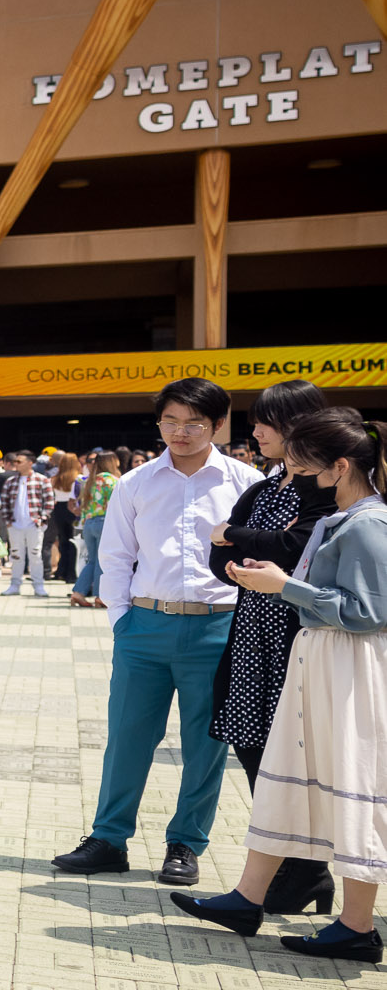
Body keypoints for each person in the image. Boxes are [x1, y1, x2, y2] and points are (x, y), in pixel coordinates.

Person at [172, 409, 387, 964]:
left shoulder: (366, 524)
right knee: (286, 777)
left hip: (348, 665)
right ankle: (249, 897)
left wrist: (285, 585)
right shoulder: (337, 519)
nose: (298, 472)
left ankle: (355, 925)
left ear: (339, 466)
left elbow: (367, 613)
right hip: (318, 659)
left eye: (307, 462)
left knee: (349, 787)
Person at [54, 378, 264, 887]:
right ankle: (108, 838)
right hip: (144, 627)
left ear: (217, 425)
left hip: (219, 626)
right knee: (127, 736)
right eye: (170, 421)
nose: (180, 432)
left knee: (205, 744)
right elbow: (116, 557)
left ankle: (186, 845)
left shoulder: (246, 482)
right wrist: (122, 622)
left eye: (193, 422)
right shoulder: (136, 482)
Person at [208, 379, 332, 917]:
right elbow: (220, 554)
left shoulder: (325, 486)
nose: (254, 431)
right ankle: (296, 868)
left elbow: (297, 545)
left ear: (299, 425)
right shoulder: (265, 486)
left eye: (265, 422)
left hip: (297, 638)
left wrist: (237, 541)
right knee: (254, 747)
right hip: (253, 634)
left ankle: (305, 869)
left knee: (295, 758)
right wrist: (236, 555)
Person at [72, 451, 121, 608]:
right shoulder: (112, 480)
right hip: (104, 522)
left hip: (89, 523)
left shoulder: (90, 480)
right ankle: (100, 596)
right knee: (103, 562)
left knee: (92, 560)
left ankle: (78, 592)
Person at [0, 451, 51, 599]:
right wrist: (8, 521)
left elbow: (49, 501)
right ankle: (15, 585)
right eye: (15, 461)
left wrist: (43, 518)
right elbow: (4, 502)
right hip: (15, 524)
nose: (16, 464)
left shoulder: (42, 480)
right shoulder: (10, 481)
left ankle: (38, 585)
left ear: (30, 463)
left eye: (19, 461)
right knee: (15, 556)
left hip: (34, 524)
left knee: (35, 555)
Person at [46, 452, 83, 584]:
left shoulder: (55, 478)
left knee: (63, 540)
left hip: (59, 509)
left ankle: (61, 571)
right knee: (73, 541)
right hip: (72, 508)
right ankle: (71, 574)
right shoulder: (78, 479)